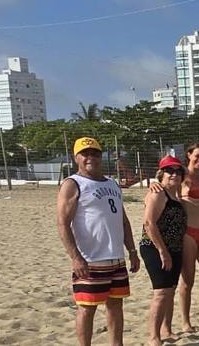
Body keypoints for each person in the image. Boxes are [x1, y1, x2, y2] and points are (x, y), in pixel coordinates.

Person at [56, 137, 139, 346]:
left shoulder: (112, 184)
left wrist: (132, 250)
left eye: (95, 153)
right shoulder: (73, 184)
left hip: (115, 257)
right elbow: (62, 223)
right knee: (87, 307)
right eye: (85, 154)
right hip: (90, 259)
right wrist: (76, 257)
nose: (90, 157)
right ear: (76, 157)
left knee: (115, 306)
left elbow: (123, 219)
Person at [148, 142, 199, 331]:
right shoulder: (180, 177)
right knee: (187, 281)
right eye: (197, 155)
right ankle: (186, 321)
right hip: (188, 234)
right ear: (189, 155)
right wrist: (154, 185)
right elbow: (163, 190)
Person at [139, 156, 187, 346]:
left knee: (170, 291)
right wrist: (162, 251)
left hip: (174, 248)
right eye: (170, 171)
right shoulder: (158, 193)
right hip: (155, 247)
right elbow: (149, 224)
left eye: (178, 171)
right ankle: (154, 337)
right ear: (161, 174)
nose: (174, 174)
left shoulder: (176, 194)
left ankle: (166, 329)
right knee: (161, 293)